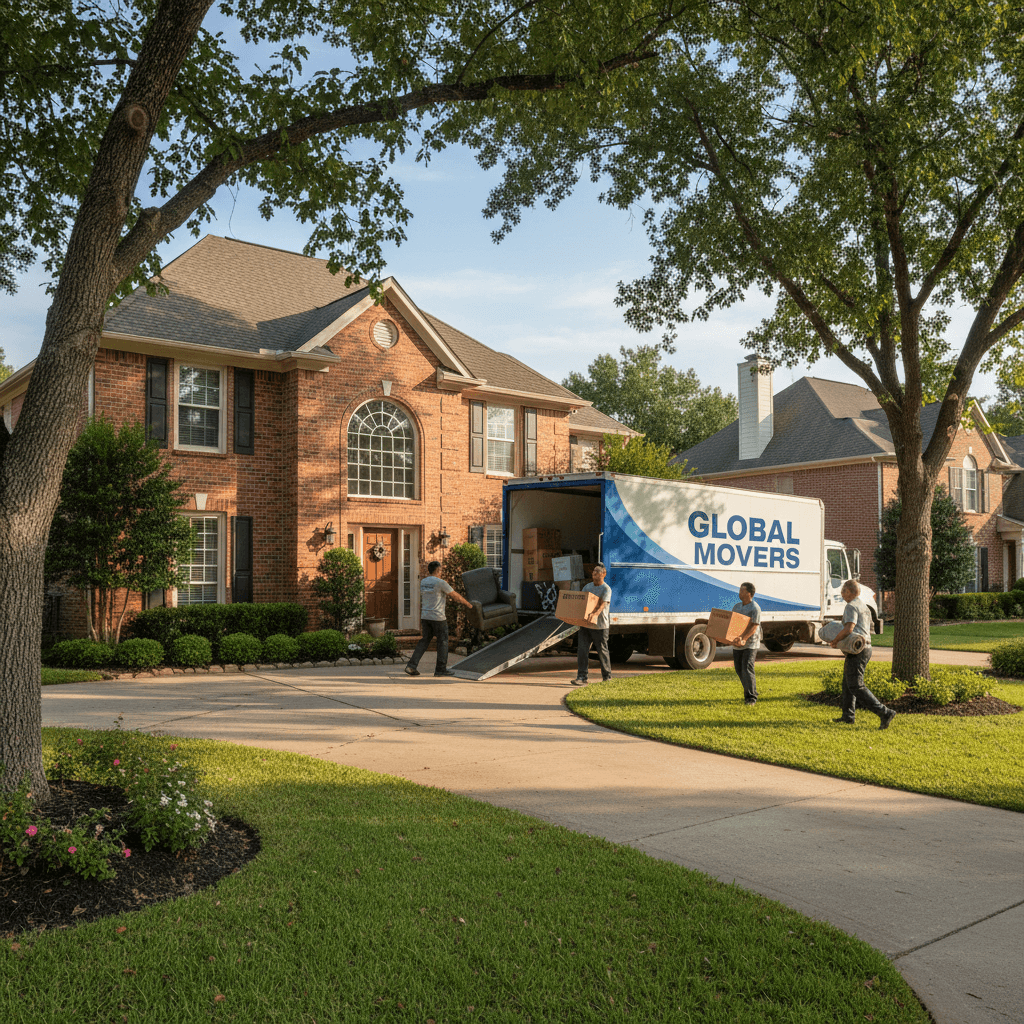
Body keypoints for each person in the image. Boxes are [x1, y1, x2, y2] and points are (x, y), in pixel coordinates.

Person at [830, 579, 896, 729]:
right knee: (847, 683)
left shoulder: (851, 606)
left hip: (858, 649)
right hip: (866, 647)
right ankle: (848, 716)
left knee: (856, 685)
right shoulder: (863, 605)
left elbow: (849, 628)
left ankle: (885, 712)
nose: (841, 594)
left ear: (850, 592)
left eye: (843, 591)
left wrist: (835, 641)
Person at [405, 561, 473, 678]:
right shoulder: (440, 583)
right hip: (438, 617)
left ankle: (411, 666)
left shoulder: (423, 582)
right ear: (438, 570)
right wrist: (469, 605)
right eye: (441, 570)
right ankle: (440, 669)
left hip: (425, 616)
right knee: (443, 641)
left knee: (425, 640)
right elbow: (455, 596)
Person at [572, 563, 612, 686]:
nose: (594, 574)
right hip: (585, 625)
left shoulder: (606, 589)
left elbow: (602, 605)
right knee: (582, 650)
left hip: (600, 626)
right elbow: (582, 602)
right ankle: (581, 677)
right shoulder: (587, 587)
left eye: (597, 572)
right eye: (593, 572)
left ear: (603, 574)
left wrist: (595, 614)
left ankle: (607, 677)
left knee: (602, 651)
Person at [732, 582, 761, 704]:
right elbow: (732, 624)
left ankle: (751, 698)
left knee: (747, 668)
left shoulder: (755, 608)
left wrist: (743, 638)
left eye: (742, 590)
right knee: (739, 669)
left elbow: (754, 627)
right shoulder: (737, 607)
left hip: (750, 644)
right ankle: (751, 690)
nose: (739, 593)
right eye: (739, 590)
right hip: (737, 644)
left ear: (749, 593)